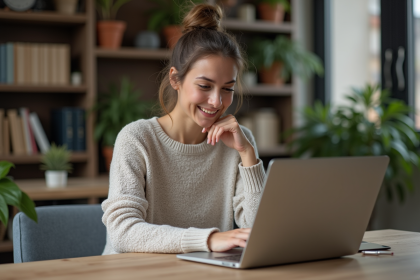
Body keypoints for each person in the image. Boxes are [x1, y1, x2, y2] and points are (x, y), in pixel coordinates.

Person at [101, 3, 266, 255]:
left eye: (227, 88)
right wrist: (208, 240)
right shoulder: (136, 139)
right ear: (175, 79)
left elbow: (258, 232)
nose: (217, 101)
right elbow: (123, 232)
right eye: (204, 85)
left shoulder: (238, 142)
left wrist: (248, 156)